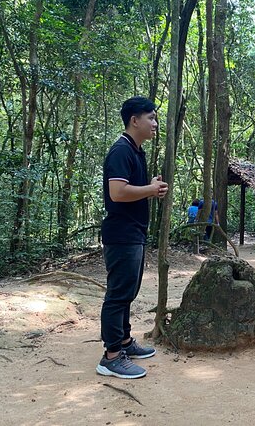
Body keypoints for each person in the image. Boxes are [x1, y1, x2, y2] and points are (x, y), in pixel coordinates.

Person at [96, 96, 169, 379]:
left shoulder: (136, 151)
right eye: (150, 118)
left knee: (129, 291)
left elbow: (131, 187)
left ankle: (125, 341)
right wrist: (150, 190)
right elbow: (117, 193)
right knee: (118, 294)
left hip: (134, 232)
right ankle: (111, 356)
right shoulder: (120, 151)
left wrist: (150, 186)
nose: (155, 123)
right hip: (122, 234)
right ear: (134, 120)